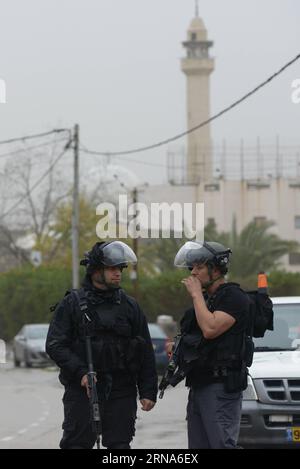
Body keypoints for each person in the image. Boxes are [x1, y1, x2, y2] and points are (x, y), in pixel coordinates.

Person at [46, 240, 157, 449]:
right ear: (95, 270)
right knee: (77, 444)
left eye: (120, 268)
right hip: (84, 391)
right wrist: (80, 372)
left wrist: (148, 390)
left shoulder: (129, 305)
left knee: (120, 446)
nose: (118, 273)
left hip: (122, 388)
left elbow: (144, 349)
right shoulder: (72, 304)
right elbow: (54, 344)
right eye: (112, 268)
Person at [173, 241, 250, 449]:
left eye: (199, 267)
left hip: (221, 386)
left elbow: (211, 328)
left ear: (215, 269)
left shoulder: (234, 297)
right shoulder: (208, 299)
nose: (193, 273)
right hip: (199, 383)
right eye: (192, 268)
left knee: (221, 444)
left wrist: (196, 295)